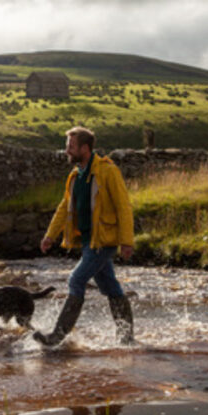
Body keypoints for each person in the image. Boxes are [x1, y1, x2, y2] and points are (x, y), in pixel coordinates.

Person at [33, 126, 135, 345]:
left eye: (70, 146)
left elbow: (123, 206)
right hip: (89, 241)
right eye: (67, 146)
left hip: (104, 240)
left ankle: (56, 337)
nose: (66, 151)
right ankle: (126, 339)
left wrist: (127, 241)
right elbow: (64, 207)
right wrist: (50, 236)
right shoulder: (75, 174)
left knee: (76, 279)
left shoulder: (108, 171)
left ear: (85, 148)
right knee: (110, 287)